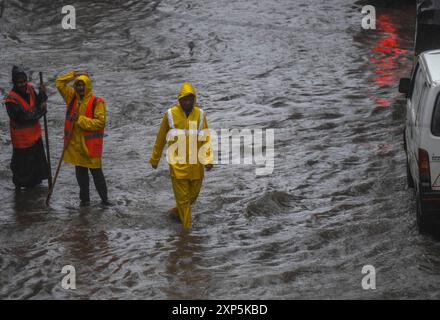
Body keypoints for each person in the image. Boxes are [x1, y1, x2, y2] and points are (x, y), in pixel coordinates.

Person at [150, 82, 213, 228]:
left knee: (193, 197)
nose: (187, 102)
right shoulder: (170, 114)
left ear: (194, 100)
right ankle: (187, 231)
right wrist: (155, 158)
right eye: (185, 99)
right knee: (184, 200)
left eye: (190, 99)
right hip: (178, 166)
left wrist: (208, 159)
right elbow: (160, 139)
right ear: (180, 99)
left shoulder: (200, 115)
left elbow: (206, 139)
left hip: (196, 165)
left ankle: (175, 213)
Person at [55, 71, 110, 206]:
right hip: (76, 147)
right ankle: (84, 202)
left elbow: (100, 123)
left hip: (91, 147)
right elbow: (59, 83)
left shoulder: (97, 102)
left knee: (97, 175)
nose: (80, 88)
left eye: (82, 85)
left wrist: (80, 120)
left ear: (88, 86)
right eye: (78, 85)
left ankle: (105, 201)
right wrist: (74, 74)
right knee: (81, 177)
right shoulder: (71, 97)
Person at [3, 65, 49, 190]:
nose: (22, 84)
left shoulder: (29, 89)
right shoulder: (10, 100)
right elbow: (23, 118)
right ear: (14, 82)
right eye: (19, 82)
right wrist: (41, 112)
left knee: (36, 169)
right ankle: (22, 196)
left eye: (24, 81)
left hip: (35, 136)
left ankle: (34, 193)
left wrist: (42, 94)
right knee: (23, 171)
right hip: (22, 141)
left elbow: (38, 103)